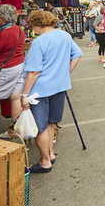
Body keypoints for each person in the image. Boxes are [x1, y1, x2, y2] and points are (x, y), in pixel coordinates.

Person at [21, 10, 82, 173]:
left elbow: (33, 72)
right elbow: (77, 55)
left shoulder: (39, 42)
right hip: (60, 85)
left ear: (37, 24)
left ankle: (45, 161)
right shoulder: (64, 36)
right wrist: (65, 72)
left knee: (40, 127)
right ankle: (50, 154)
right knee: (51, 122)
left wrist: (24, 95)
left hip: (39, 90)